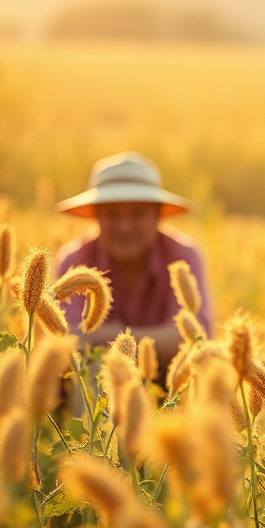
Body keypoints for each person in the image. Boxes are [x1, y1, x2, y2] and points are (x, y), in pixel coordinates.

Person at [54, 151, 213, 375]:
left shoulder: (184, 257)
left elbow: (196, 336)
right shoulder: (74, 261)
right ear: (96, 216)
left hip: (169, 384)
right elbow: (63, 340)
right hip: (95, 390)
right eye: (112, 215)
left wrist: (113, 337)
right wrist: (148, 342)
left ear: (158, 215)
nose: (124, 226)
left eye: (137, 214)